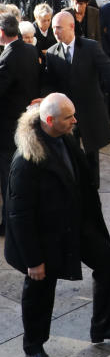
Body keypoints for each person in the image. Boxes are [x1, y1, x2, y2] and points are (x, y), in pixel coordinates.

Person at [5, 94, 110, 357]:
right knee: (40, 291)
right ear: (50, 120)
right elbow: (19, 215)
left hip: (75, 225)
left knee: (107, 259)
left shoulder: (64, 136)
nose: (75, 121)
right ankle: (34, 347)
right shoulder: (26, 161)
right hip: (45, 239)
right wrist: (33, 260)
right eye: (69, 117)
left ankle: (103, 325)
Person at [44, 11, 110, 188]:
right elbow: (50, 83)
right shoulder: (51, 53)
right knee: (69, 152)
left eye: (58, 28)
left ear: (71, 27)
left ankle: (92, 188)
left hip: (89, 111)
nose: (55, 32)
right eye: (53, 28)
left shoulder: (90, 47)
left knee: (91, 155)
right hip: (66, 116)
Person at [0, 12, 40, 233]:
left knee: (9, 177)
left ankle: (9, 223)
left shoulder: (8, 57)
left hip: (8, 128)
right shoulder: (30, 50)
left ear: (2, 32)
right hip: (27, 121)